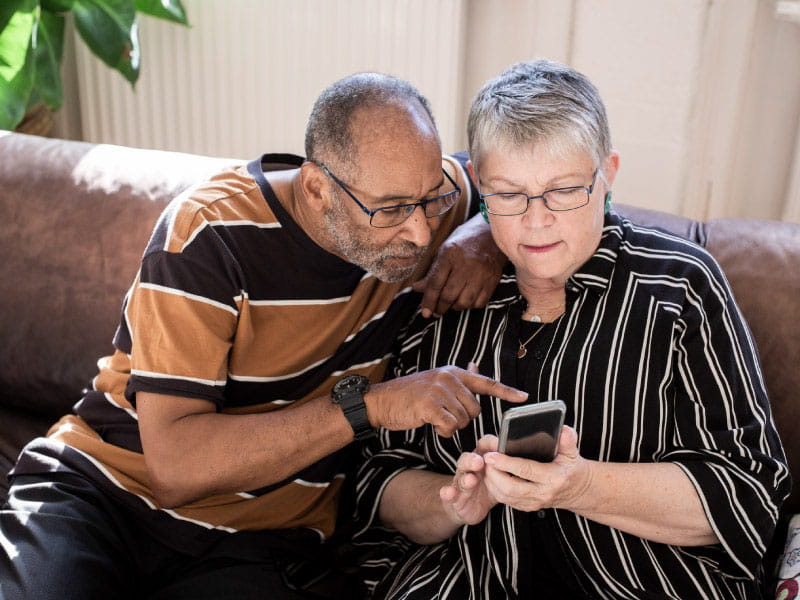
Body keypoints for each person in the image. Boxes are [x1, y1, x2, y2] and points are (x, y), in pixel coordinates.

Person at [0, 73, 528, 599]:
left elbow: (528, 180)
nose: (419, 232)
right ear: (316, 187)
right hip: (106, 494)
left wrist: (483, 229)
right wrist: (370, 407)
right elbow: (176, 469)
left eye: (431, 200)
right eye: (390, 210)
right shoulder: (208, 236)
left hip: (261, 540)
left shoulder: (425, 203)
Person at [353, 60, 791, 599]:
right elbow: (379, 484)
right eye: (509, 195)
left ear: (607, 172)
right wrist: (456, 500)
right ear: (482, 192)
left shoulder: (679, 287)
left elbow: (749, 496)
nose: (535, 222)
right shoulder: (447, 301)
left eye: (563, 191)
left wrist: (580, 485)